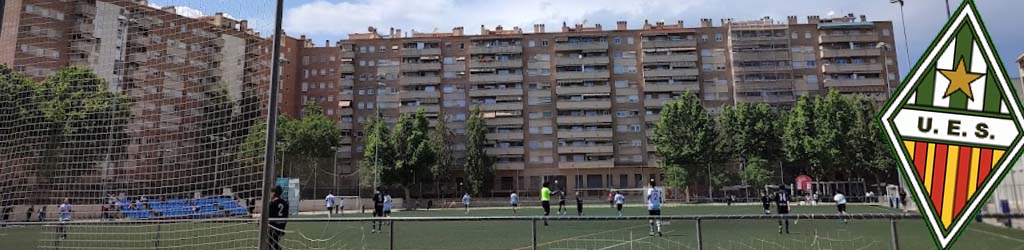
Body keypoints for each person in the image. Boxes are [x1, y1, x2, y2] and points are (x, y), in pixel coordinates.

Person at [268, 186, 289, 250]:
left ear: (274, 193)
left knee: (271, 243)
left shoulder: (272, 203)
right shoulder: (285, 203)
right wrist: (283, 227)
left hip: (273, 226)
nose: (270, 194)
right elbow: (286, 216)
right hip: (281, 226)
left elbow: (269, 215)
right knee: (274, 242)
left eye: (271, 192)